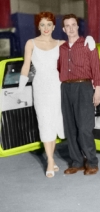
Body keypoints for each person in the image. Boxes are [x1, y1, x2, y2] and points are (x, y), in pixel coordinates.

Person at [15, 11, 65, 178]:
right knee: (44, 122)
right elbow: (25, 67)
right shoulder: (31, 43)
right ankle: (50, 160)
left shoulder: (61, 43)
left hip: (57, 87)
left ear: (54, 26)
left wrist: (89, 40)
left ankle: (51, 158)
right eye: (42, 24)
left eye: (49, 24)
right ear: (38, 26)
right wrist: (20, 89)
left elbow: (79, 47)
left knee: (54, 121)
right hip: (40, 87)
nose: (46, 28)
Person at [58, 14, 100, 176]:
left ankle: (92, 162)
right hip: (66, 88)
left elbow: (96, 67)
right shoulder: (62, 48)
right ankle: (76, 162)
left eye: (73, 25)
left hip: (84, 87)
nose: (71, 28)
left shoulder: (87, 44)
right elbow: (58, 69)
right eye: (67, 26)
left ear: (78, 27)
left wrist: (97, 89)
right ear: (63, 29)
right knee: (70, 127)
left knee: (85, 128)